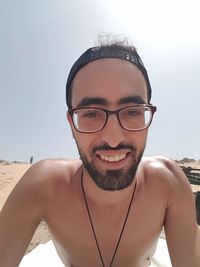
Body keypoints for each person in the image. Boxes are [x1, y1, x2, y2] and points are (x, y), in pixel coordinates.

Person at [0, 37, 199, 267]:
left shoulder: (169, 183)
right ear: (71, 123)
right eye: (91, 113)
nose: (113, 140)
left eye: (132, 112)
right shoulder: (43, 185)